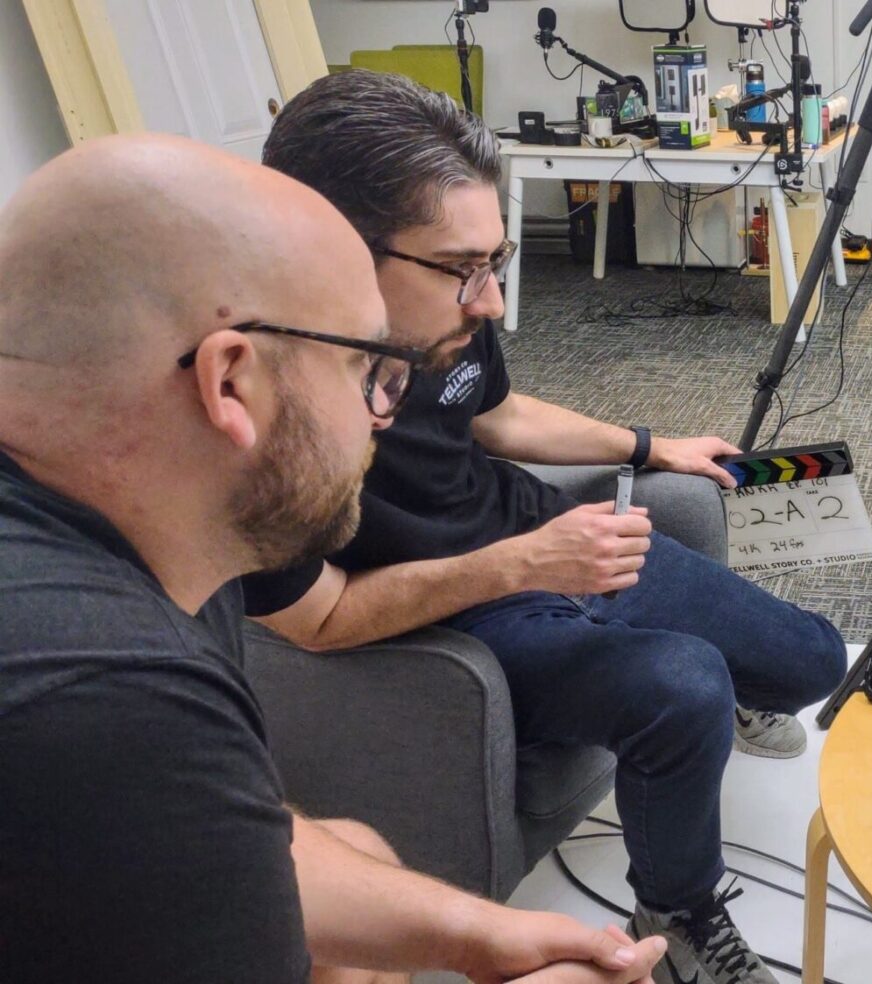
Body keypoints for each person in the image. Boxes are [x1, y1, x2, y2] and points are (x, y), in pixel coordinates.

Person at [0, 135, 664, 983]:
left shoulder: (155, 541)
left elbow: (253, 843)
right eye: (367, 371)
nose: (381, 416)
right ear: (230, 382)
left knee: (355, 849)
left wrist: (477, 933)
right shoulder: (109, 696)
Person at [241, 70, 846, 984]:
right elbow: (316, 620)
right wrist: (519, 566)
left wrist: (653, 445)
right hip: (458, 611)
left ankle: (718, 697)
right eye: (461, 269)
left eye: (497, 260)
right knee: (685, 683)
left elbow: (498, 415)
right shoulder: (258, 419)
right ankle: (678, 909)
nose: (489, 300)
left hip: (546, 538)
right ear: (335, 250)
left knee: (816, 658)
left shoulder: (450, 313)